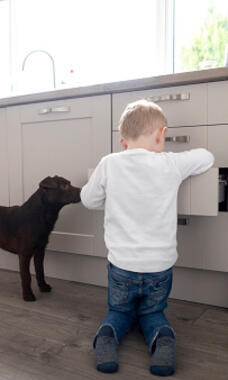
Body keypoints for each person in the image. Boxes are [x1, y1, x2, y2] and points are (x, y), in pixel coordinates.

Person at [80, 99, 214, 376]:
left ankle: (107, 336)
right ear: (160, 134)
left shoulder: (109, 163)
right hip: (159, 269)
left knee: (119, 311)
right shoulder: (171, 163)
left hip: (121, 267)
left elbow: (88, 199)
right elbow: (206, 157)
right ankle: (162, 338)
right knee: (152, 314)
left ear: (123, 141)